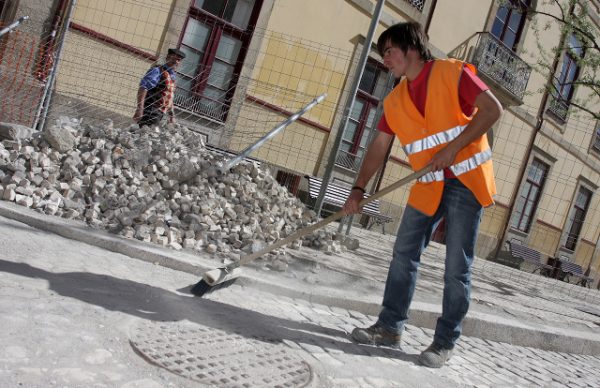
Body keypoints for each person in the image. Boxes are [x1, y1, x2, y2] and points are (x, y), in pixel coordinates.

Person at [343, 22, 502, 368]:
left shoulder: (452, 73)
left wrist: (453, 149)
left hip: (467, 180)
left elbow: (493, 110)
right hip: (429, 185)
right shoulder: (395, 100)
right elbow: (379, 146)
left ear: (411, 49)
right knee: (404, 253)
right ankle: (389, 327)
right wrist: (358, 189)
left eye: (389, 51)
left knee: (457, 267)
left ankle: (444, 343)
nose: (384, 59)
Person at [134, 48, 186, 127]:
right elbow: (143, 88)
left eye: (178, 60)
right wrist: (140, 108)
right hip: (150, 110)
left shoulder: (172, 77)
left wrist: (171, 115)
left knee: (146, 135)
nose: (176, 61)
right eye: (173, 58)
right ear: (167, 58)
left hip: (160, 114)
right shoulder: (157, 71)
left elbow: (169, 98)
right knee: (144, 134)